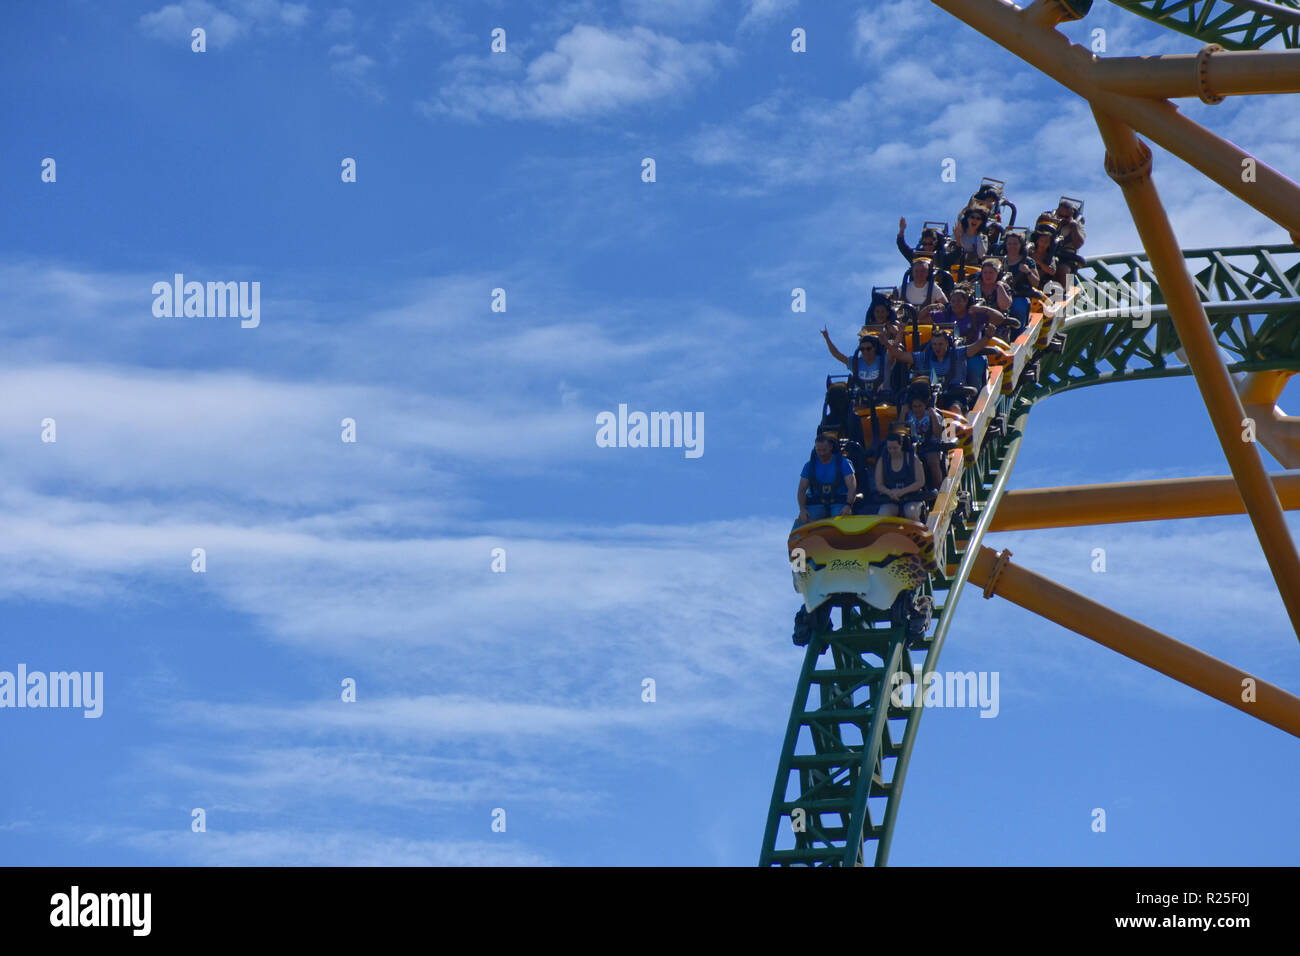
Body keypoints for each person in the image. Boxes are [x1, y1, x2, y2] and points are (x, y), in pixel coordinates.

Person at [796, 433, 857, 527]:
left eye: (824, 450)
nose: (821, 453)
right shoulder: (809, 466)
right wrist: (802, 510)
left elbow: (852, 486)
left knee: (841, 524)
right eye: (818, 450)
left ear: (830, 447)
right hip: (817, 503)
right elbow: (801, 490)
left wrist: (848, 505)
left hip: (839, 501)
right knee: (802, 522)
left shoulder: (843, 463)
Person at [874, 430, 927, 521]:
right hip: (891, 498)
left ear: (901, 446)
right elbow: (879, 484)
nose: (892, 451)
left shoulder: (913, 459)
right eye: (889, 448)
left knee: (911, 514)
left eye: (895, 448)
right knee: (883, 515)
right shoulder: (882, 461)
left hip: (912, 497)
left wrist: (902, 492)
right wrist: (890, 492)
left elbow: (920, 481)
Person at [903, 387, 948, 489]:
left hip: (931, 445)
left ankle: (938, 490)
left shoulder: (933, 415)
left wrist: (933, 415)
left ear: (925, 405)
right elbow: (900, 431)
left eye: (920, 406)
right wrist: (902, 413)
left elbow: (937, 434)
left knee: (932, 461)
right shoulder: (909, 415)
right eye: (914, 406)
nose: (917, 409)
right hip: (913, 446)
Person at [1001, 232, 1039, 325]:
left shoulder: (1028, 261)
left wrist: (1028, 271)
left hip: (1020, 295)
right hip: (1002, 295)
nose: (1012, 246)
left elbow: (1036, 282)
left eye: (1015, 244)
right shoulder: (1001, 260)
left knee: (1018, 308)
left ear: (1021, 245)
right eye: (1009, 244)